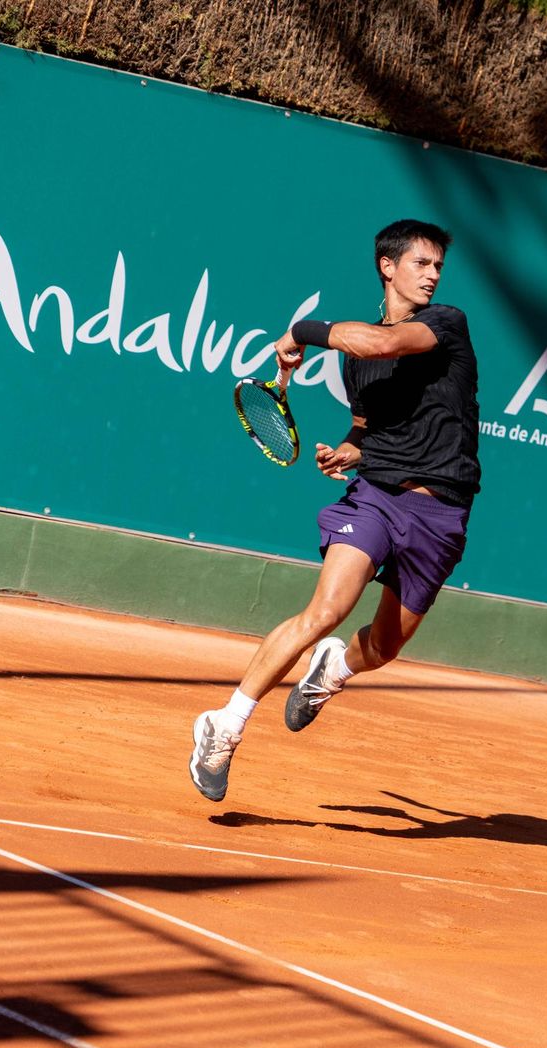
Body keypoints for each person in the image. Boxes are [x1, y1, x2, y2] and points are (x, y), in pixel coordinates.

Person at [189, 218, 480, 802]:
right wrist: (350, 450)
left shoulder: (445, 323)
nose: (432, 275)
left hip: (442, 512)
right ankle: (225, 723)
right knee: (325, 610)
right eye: (421, 263)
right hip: (377, 499)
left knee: (384, 647)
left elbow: (383, 343)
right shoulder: (356, 358)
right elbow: (366, 428)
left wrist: (301, 331)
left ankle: (335, 669)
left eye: (438, 266)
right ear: (388, 266)